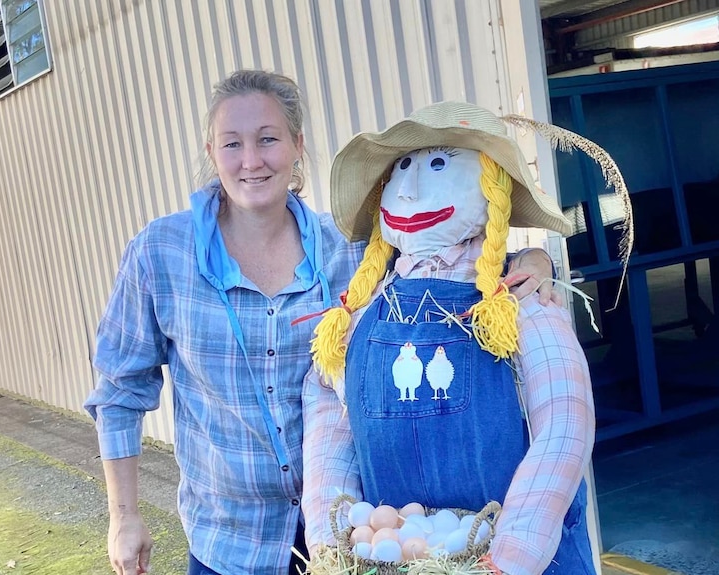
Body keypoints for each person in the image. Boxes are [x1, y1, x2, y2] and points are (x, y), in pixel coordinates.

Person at [84, 71, 560, 575]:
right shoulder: (160, 254)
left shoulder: (350, 247)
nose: (251, 160)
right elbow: (119, 392)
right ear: (212, 151)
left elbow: (450, 259)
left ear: (296, 145)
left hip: (354, 536)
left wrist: (531, 259)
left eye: (268, 139)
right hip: (228, 542)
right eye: (232, 144)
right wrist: (124, 517)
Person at [301, 101, 619, 574]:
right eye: (402, 169)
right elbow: (330, 426)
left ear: (489, 187)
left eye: (437, 166)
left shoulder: (522, 302)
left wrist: (510, 558)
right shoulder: (358, 317)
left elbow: (564, 427)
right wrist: (334, 536)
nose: (409, 189)